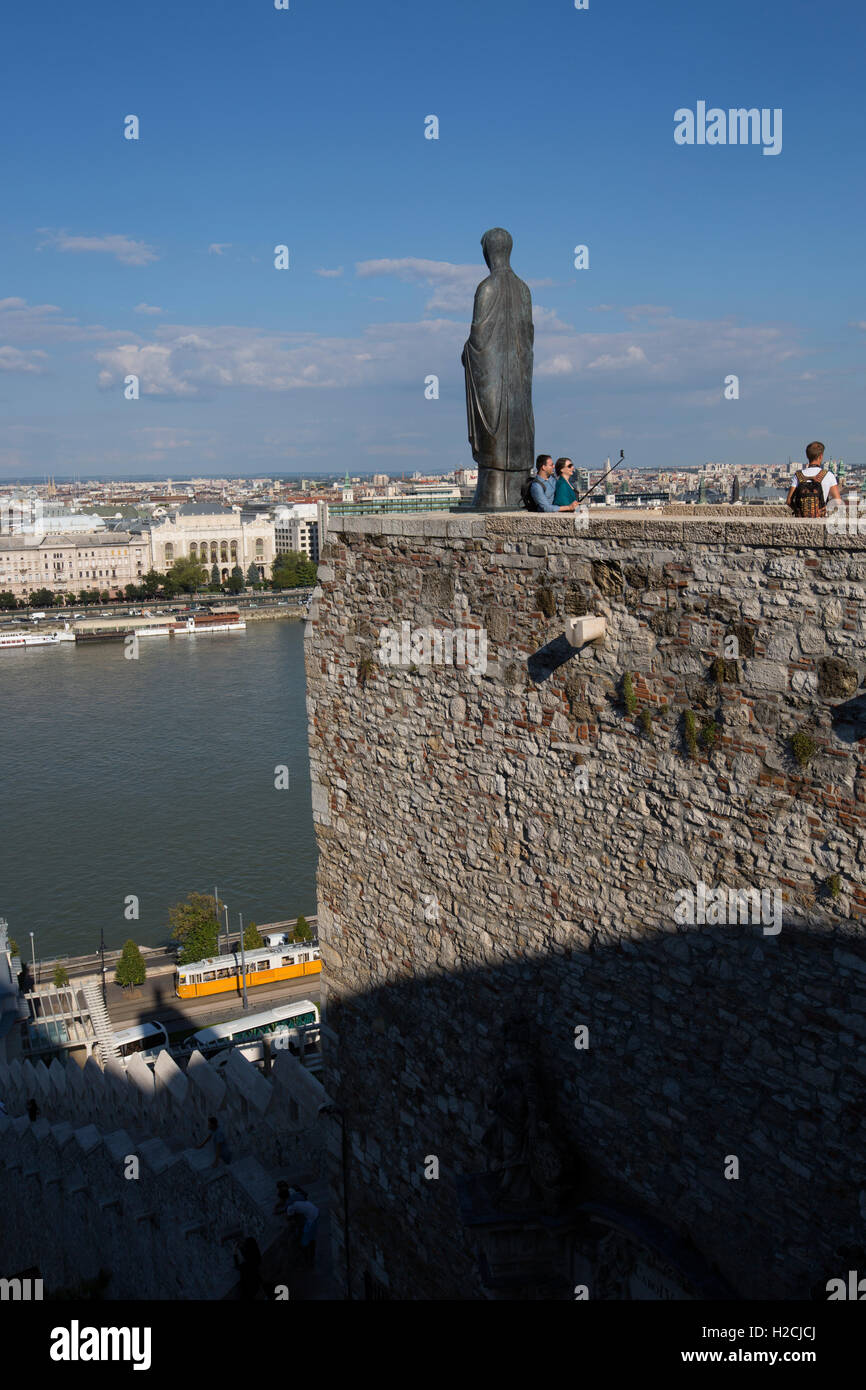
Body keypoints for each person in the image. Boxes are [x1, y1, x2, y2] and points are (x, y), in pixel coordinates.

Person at [786, 442, 841, 517]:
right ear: (821, 456)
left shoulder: (798, 475)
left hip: (801, 520)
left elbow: (789, 501)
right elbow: (837, 501)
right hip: (820, 519)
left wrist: (798, 511)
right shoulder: (828, 475)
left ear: (807, 456)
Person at [285, 1192, 319, 1268]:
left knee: (304, 1242)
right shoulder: (297, 1201)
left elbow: (289, 1218)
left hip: (311, 1218)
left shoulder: (290, 1207)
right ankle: (311, 1255)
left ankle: (308, 1260)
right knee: (312, 1238)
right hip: (315, 1212)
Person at [233, 1235, 265, 1300]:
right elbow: (247, 1257)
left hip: (250, 1289)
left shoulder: (247, 1265)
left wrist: (235, 1251)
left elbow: (238, 1265)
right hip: (253, 1287)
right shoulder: (256, 1259)